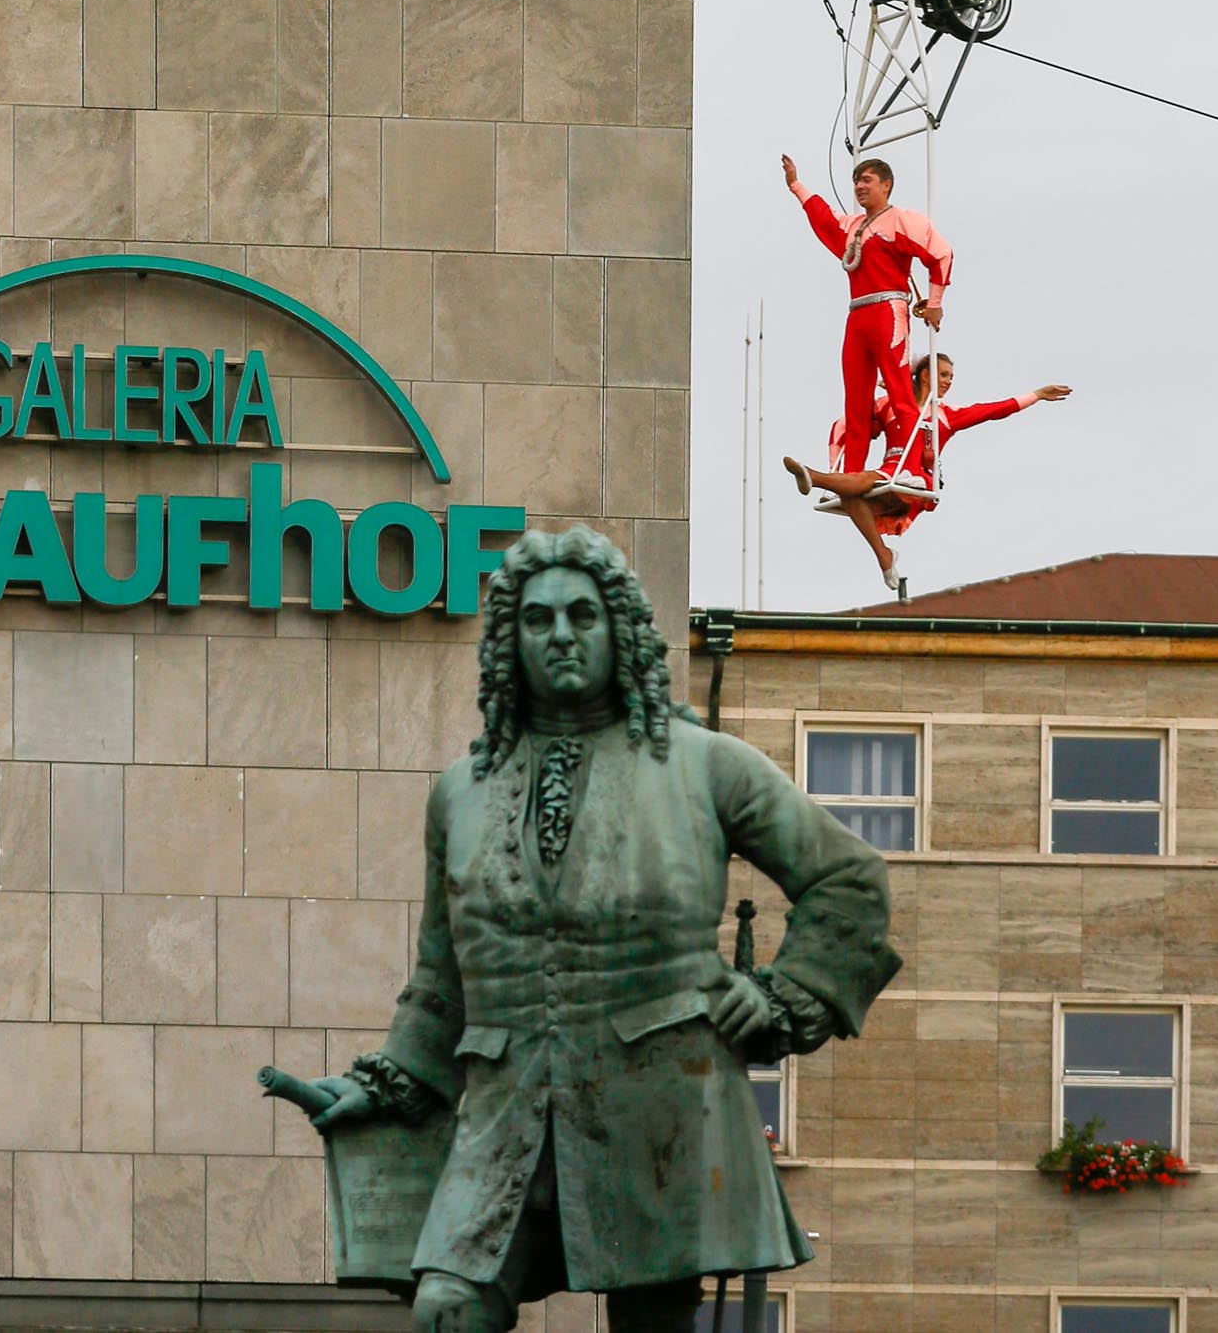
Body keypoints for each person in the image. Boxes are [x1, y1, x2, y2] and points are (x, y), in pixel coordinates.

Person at [265, 527, 900, 1332]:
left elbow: (847, 878)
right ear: (510, 641)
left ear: (619, 629)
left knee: (651, 1325)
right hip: (505, 1110)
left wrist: (785, 995)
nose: (560, 635)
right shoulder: (459, 793)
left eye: (581, 616)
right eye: (537, 620)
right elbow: (442, 978)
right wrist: (384, 1083)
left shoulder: (706, 766)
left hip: (667, 1100)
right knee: (446, 1310)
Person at [784, 358, 1073, 591]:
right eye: (944, 374)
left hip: (917, 483)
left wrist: (1036, 395)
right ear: (925, 375)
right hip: (888, 475)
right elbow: (855, 423)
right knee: (852, 494)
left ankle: (814, 477)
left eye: (950, 377)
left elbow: (994, 410)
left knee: (863, 482)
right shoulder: (890, 406)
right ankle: (883, 554)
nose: (948, 381)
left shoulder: (946, 414)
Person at [783, 150, 950, 475]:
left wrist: (934, 302)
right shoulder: (854, 226)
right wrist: (796, 186)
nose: (860, 186)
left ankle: (913, 468)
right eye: (857, 181)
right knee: (856, 401)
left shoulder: (903, 220)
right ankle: (852, 475)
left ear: (886, 185)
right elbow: (825, 219)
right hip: (858, 315)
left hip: (889, 313)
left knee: (901, 393)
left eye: (867, 180)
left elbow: (941, 253)